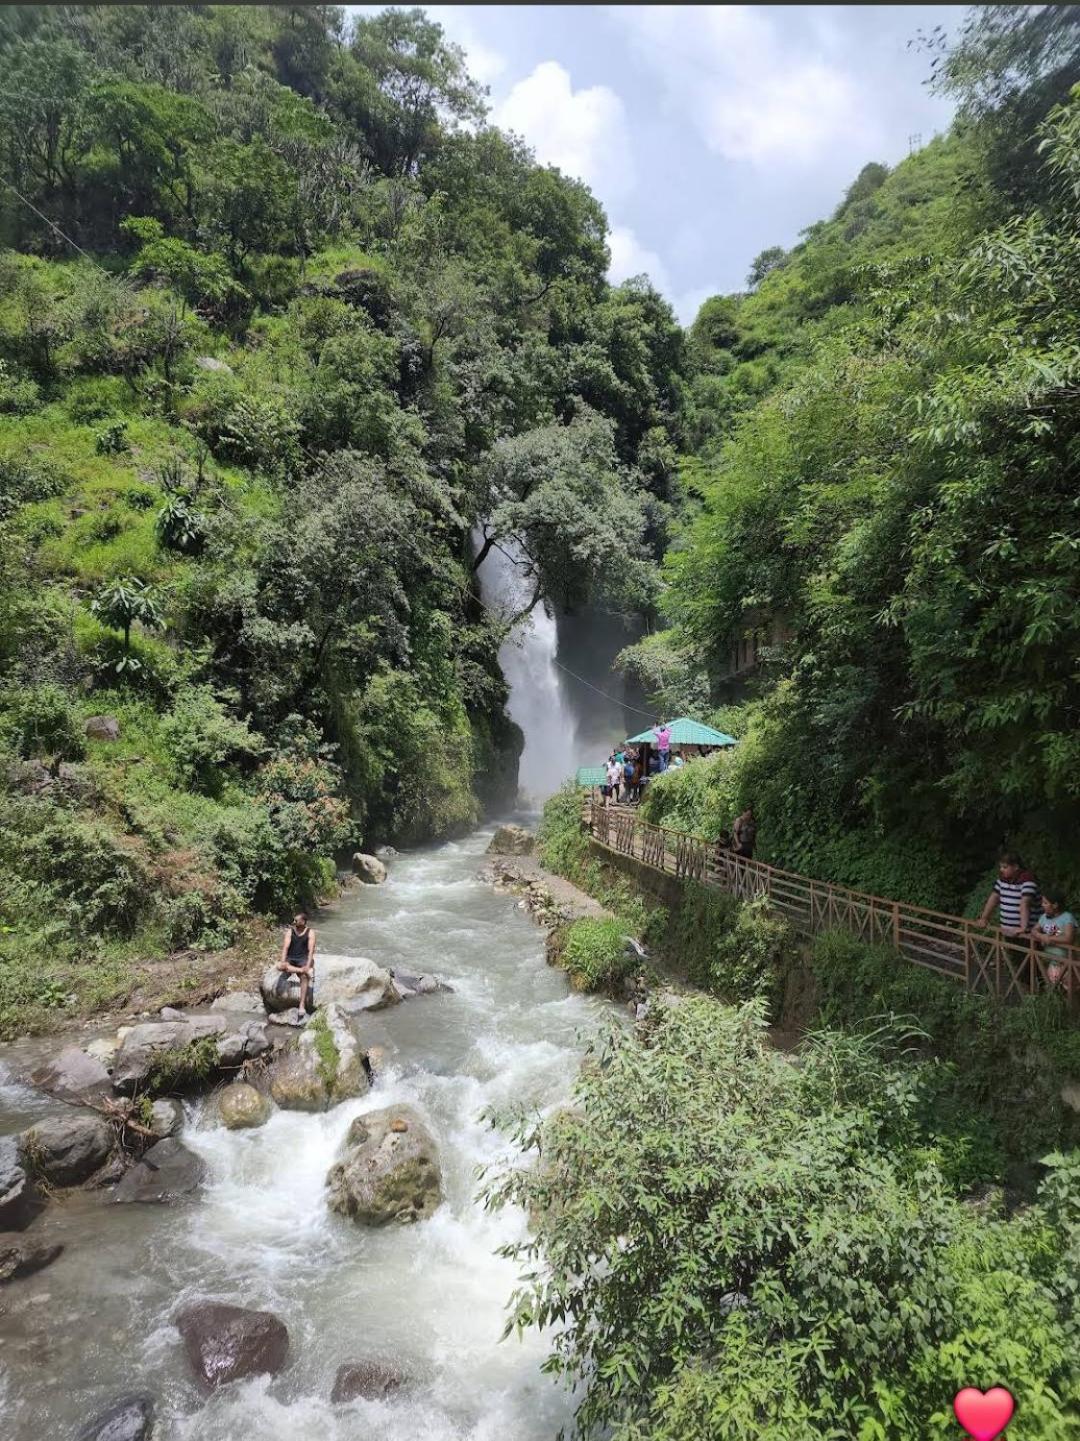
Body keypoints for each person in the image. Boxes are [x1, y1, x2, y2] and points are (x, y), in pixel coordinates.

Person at [979, 852, 1039, 936]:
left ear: (1015, 867)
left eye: (1005, 867)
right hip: (1008, 931)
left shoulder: (1027, 880)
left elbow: (1025, 903)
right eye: (1000, 867)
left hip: (1026, 934)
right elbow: (993, 898)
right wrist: (984, 918)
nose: (1001, 870)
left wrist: (1023, 927)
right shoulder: (1002, 880)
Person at [1032, 889, 1075, 987]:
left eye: (1045, 903)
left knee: (1069, 990)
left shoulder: (1067, 917)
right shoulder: (1044, 917)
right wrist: (1041, 936)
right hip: (1050, 961)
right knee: (1054, 989)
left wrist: (1050, 939)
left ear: (1055, 905)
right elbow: (1034, 930)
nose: (1042, 905)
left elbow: (1069, 938)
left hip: (1066, 962)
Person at [277, 911, 316, 1019]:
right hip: (291, 958)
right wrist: (283, 961)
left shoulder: (310, 932)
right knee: (279, 966)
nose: (293, 922)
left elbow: (311, 950)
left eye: (296, 920)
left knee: (304, 977)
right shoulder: (290, 932)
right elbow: (285, 948)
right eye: (294, 920)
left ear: (303, 922)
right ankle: (301, 970)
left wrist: (308, 965)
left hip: (303, 958)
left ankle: (302, 1004)